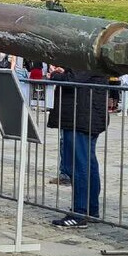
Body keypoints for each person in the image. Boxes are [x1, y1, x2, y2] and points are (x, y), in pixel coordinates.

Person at [50, 70, 110, 229]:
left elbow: (73, 77)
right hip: (87, 114)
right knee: (88, 163)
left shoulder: (85, 61)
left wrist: (56, 75)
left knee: (79, 165)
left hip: (80, 115)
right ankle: (90, 209)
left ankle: (80, 212)